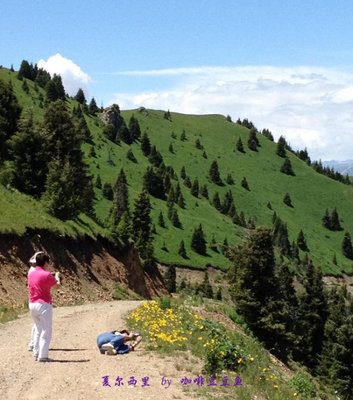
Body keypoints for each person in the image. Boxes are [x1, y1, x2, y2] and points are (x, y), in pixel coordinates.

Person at [28, 252, 61, 362]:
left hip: (32, 303)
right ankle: (43, 355)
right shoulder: (47, 275)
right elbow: (57, 287)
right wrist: (57, 277)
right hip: (44, 304)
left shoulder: (30, 273)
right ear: (46, 262)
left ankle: (36, 352)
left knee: (38, 329)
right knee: (46, 331)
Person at [28, 251, 44, 352]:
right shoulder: (34, 271)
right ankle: (34, 344)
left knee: (36, 324)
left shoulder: (32, 270)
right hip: (37, 300)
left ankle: (33, 343)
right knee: (38, 325)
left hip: (33, 300)